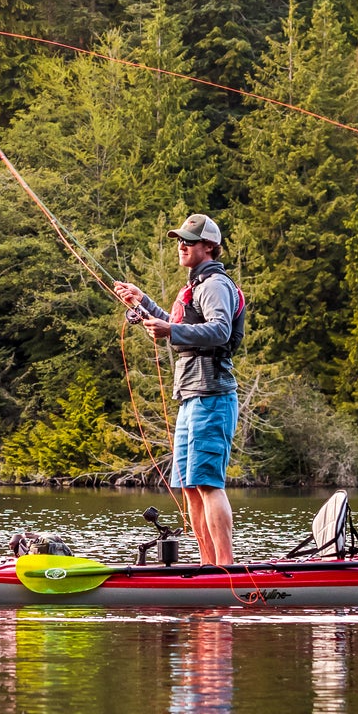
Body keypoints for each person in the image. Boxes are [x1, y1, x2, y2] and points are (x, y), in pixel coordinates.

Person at [113, 214, 243, 566]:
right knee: (189, 485)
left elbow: (219, 331)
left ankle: (224, 568)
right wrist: (143, 303)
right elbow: (180, 325)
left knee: (208, 483)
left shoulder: (215, 284)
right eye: (179, 239)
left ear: (209, 247)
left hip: (211, 396)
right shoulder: (196, 286)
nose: (181, 245)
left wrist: (169, 331)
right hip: (190, 397)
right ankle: (207, 565)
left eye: (189, 240)